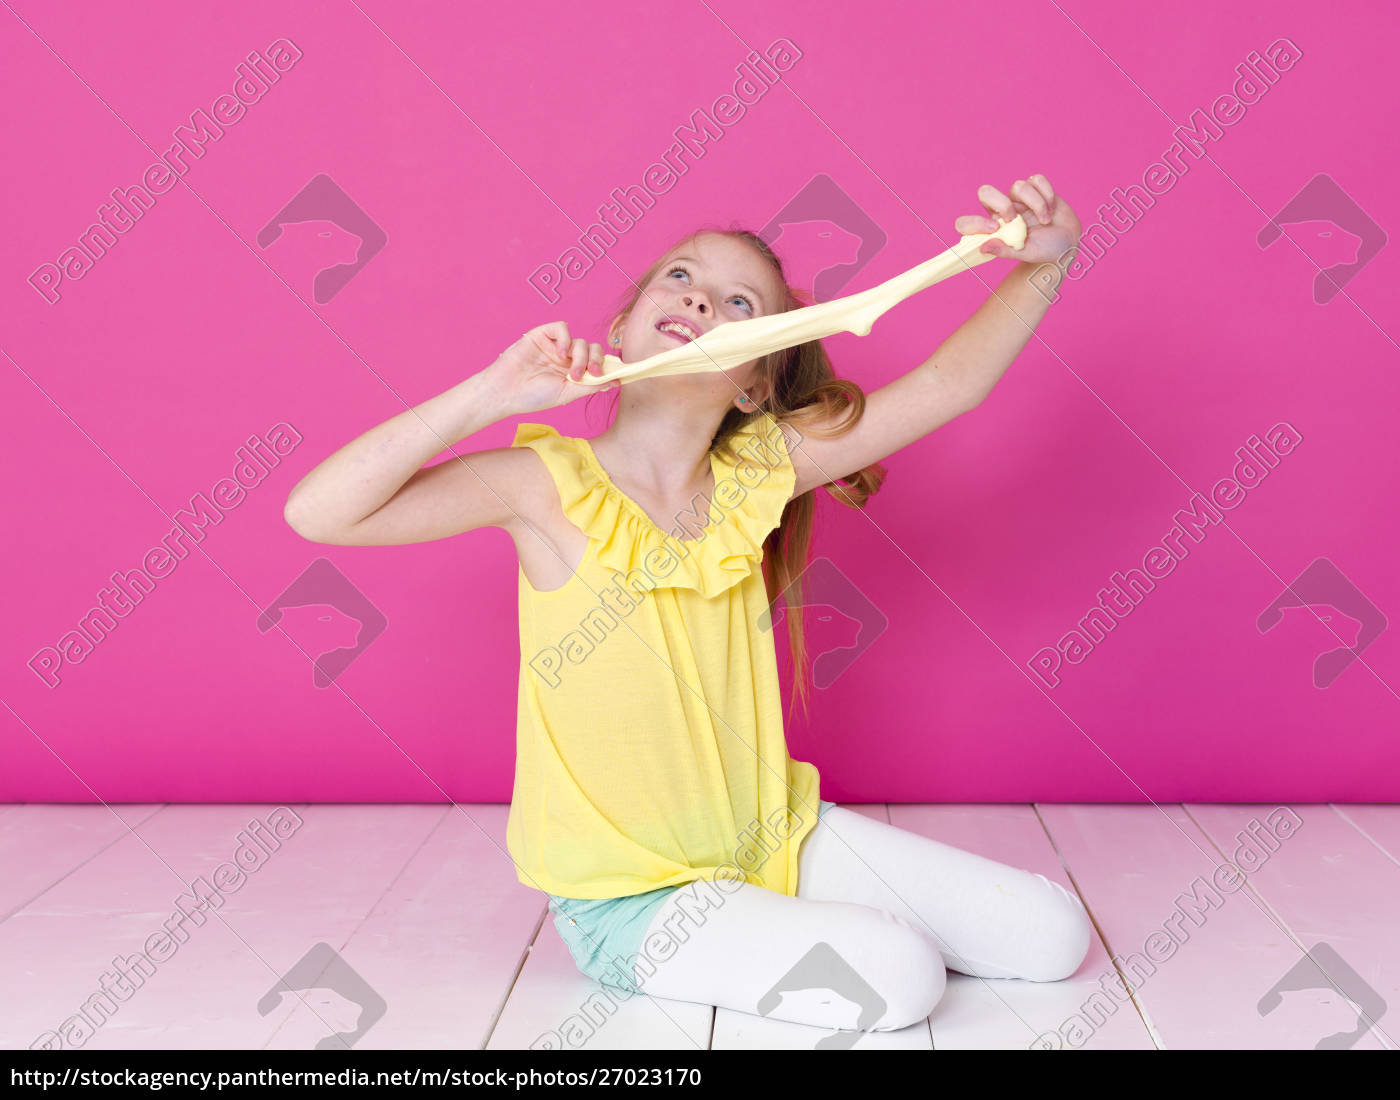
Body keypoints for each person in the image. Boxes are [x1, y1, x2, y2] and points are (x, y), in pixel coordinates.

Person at [284, 174, 1092, 1035]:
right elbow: (319, 512)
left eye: (739, 301)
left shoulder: (758, 478)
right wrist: (489, 394)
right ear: (622, 330)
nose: (700, 297)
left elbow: (947, 387)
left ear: (752, 383)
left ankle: (790, 918)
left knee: (1052, 936)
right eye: (680, 277)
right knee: (898, 975)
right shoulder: (544, 488)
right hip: (633, 901)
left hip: (770, 839)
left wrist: (1046, 261)